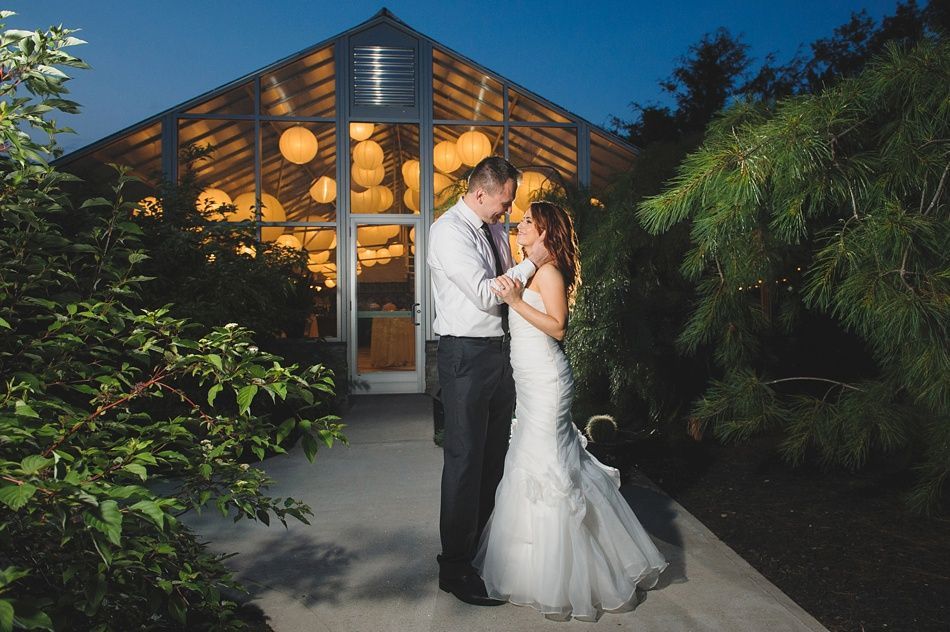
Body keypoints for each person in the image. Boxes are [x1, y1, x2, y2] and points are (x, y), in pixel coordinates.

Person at [473, 201, 668, 621]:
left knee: (552, 471)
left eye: (529, 220)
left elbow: (558, 327)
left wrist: (515, 301)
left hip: (548, 383)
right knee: (530, 465)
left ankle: (570, 578)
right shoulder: (528, 268)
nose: (520, 224)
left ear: (546, 231)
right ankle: (530, 571)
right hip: (528, 383)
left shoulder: (549, 272)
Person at [427, 156, 550, 607]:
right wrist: (532, 263)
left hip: (501, 354)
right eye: (505, 201)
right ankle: (454, 567)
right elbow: (485, 294)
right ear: (481, 193)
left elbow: (507, 288)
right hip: (464, 357)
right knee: (464, 461)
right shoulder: (448, 232)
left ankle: (480, 551)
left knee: (494, 458)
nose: (508, 210)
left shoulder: (494, 229)